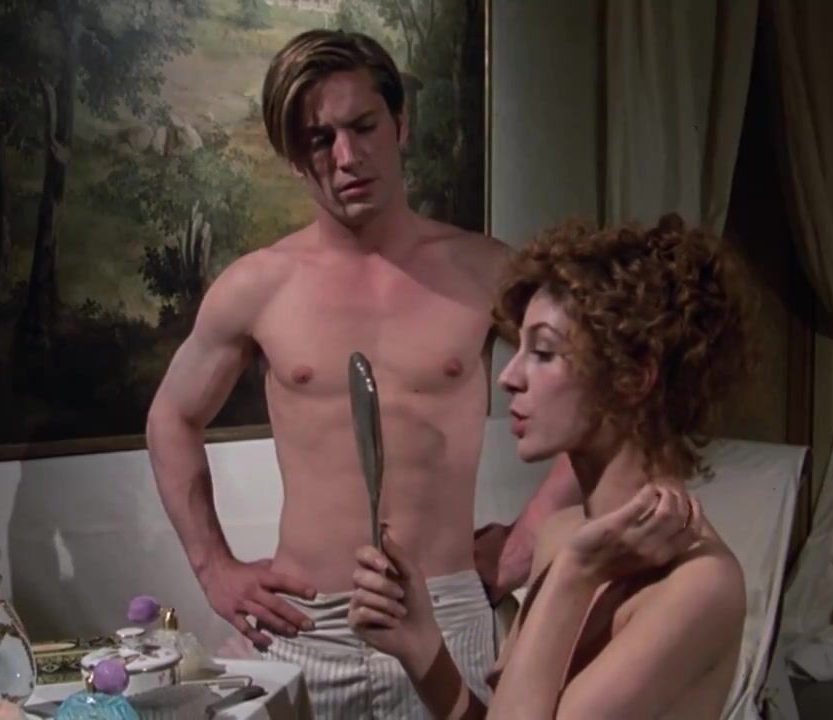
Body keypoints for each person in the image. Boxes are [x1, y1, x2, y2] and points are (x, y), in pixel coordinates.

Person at [145, 29, 576, 716]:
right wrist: (213, 567)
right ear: (295, 158)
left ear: (400, 123)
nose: (347, 157)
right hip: (306, 624)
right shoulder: (260, 285)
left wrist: (528, 539)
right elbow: (172, 415)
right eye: (319, 139)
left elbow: (607, 392)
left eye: (363, 126)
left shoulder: (486, 271)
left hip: (444, 610)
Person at [347, 213, 754, 719]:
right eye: (517, 348)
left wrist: (575, 575)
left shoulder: (697, 585)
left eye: (542, 352)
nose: (509, 377)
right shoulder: (562, 535)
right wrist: (421, 647)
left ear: (633, 378)